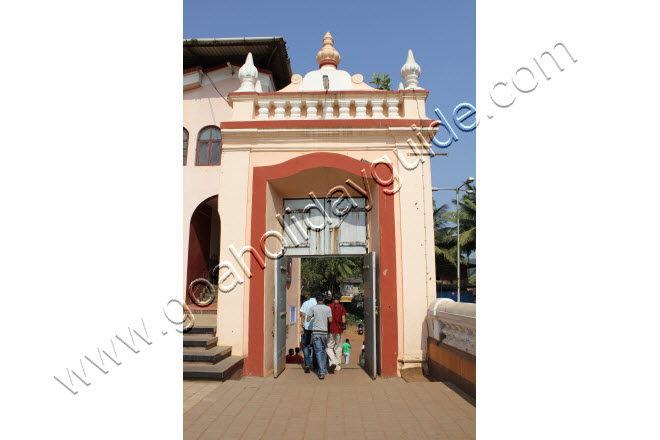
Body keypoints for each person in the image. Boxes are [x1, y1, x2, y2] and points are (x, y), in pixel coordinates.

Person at [307, 292, 333, 379]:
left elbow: (308, 318)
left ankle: (321, 370)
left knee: (318, 351)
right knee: (323, 350)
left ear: (316, 300)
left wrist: (314, 316)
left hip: (316, 332)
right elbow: (330, 320)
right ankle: (323, 369)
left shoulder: (313, 308)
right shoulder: (328, 308)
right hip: (324, 332)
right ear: (323, 299)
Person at [326, 294, 346, 373]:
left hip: (330, 329)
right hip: (339, 330)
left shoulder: (328, 307)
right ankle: (337, 365)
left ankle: (332, 362)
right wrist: (342, 324)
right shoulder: (342, 308)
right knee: (338, 347)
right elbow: (343, 321)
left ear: (333, 298)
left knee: (329, 347)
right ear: (340, 299)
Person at [299, 294, 317, 373]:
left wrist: (301, 326)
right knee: (316, 345)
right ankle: (315, 364)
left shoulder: (305, 303)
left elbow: (302, 315)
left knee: (305, 345)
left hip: (306, 327)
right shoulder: (317, 304)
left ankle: (307, 364)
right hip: (316, 328)